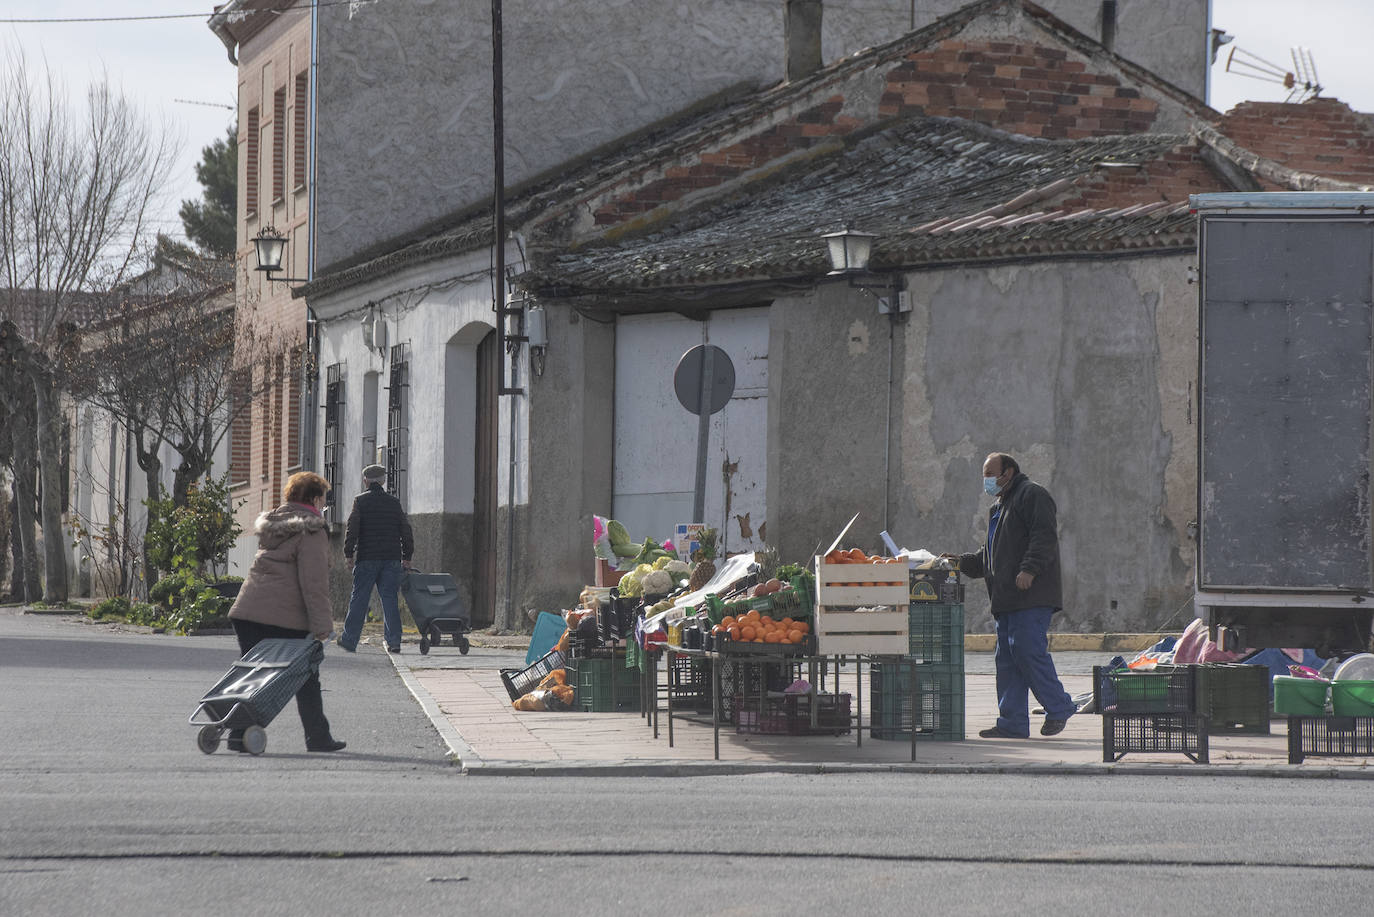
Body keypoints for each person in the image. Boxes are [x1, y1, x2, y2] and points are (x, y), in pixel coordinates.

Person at [953, 452, 1075, 739]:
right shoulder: (1000, 506)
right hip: (1007, 598)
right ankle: (1012, 723)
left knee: (1027, 651)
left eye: (990, 473)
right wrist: (960, 562)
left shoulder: (1031, 495)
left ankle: (1059, 706)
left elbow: (1044, 537)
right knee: (1007, 660)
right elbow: (991, 556)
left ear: (1008, 472)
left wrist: (1029, 569)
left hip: (1030, 594)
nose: (987, 480)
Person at [226, 471, 346, 753]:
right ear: (315, 498)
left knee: (254, 675)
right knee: (306, 675)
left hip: (247, 612)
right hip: (282, 617)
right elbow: (313, 583)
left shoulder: (274, 525)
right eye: (322, 498)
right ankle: (317, 737)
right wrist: (322, 626)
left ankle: (236, 735)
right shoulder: (311, 529)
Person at [338, 464, 414, 653]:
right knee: (389, 600)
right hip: (391, 558)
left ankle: (349, 640)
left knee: (359, 599)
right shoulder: (394, 502)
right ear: (383, 481)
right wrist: (407, 556)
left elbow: (352, 528)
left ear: (366, 481)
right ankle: (394, 641)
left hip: (367, 558)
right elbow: (406, 530)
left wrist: (349, 553)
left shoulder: (360, 501)